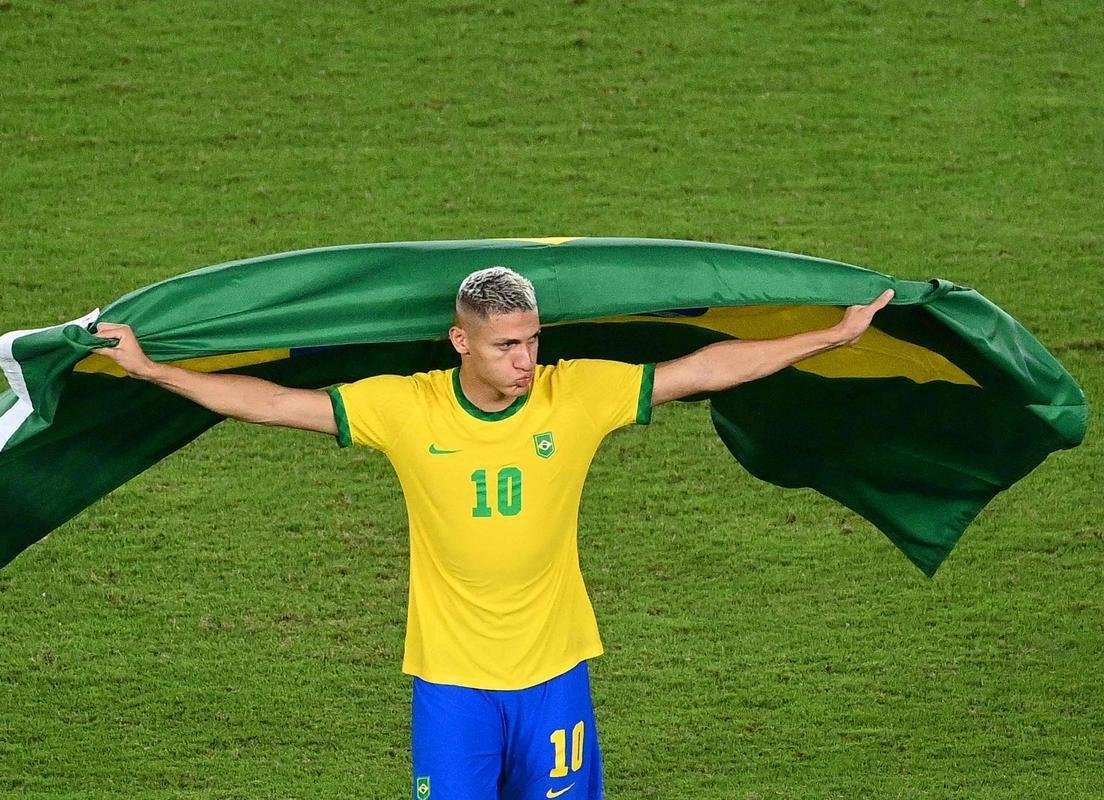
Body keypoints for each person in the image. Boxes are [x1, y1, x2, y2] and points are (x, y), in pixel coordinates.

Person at [93, 266, 892, 800]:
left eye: (534, 340)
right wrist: (154, 371)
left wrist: (833, 335)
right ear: (461, 342)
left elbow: (709, 369)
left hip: (555, 680)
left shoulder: (576, 395)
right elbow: (271, 403)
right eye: (508, 344)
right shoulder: (405, 408)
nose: (526, 360)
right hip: (453, 687)